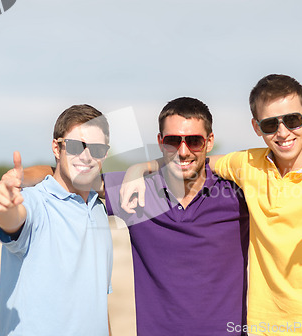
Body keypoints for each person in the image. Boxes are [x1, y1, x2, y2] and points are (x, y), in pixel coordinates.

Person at [122, 75, 302, 336]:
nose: (283, 132)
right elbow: (189, 158)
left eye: (293, 120)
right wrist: (139, 168)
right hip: (265, 328)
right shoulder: (249, 164)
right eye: (270, 125)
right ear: (256, 127)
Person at [21, 97, 250, 336]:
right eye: (173, 141)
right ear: (161, 142)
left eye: (194, 141)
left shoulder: (237, 195)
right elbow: (68, 174)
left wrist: (142, 165)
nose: (183, 151)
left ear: (209, 141)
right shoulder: (138, 191)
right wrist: (17, 177)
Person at [0, 104, 113, 336]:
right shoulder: (35, 202)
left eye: (96, 149)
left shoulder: (98, 209)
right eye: (75, 146)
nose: (86, 156)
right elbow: (15, 220)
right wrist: (3, 209)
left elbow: (98, 301)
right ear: (57, 147)